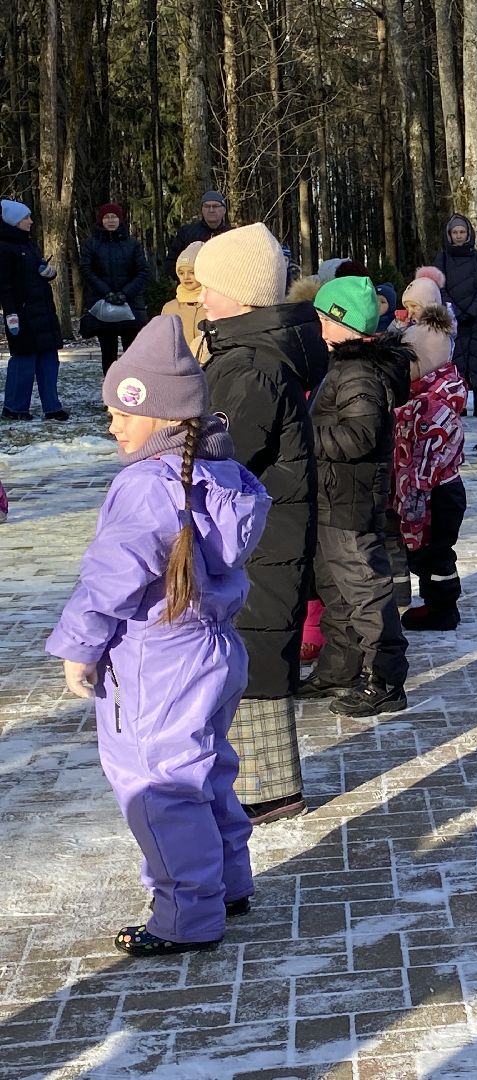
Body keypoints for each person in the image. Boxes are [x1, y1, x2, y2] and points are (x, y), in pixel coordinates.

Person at [46, 314, 270, 956]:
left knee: (158, 786)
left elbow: (108, 580)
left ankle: (185, 915)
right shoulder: (217, 473)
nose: (112, 423)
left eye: (122, 410)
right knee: (205, 770)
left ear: (161, 415)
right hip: (212, 653)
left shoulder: (147, 486)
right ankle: (227, 882)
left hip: (157, 666)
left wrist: (78, 645)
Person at [195, 222, 327, 825]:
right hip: (262, 528)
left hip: (261, 534)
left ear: (242, 294)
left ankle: (269, 787)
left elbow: (225, 450)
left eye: (208, 287)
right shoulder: (248, 352)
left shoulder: (251, 366)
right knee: (256, 640)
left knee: (258, 645)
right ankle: (260, 779)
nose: (200, 298)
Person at [298, 277, 411, 715]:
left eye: (325, 318)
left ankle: (386, 680)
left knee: (364, 590)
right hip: (331, 497)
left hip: (348, 501)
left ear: (343, 325)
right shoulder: (343, 366)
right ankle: (340, 669)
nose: (319, 325)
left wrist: (302, 431)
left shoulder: (357, 371)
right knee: (336, 590)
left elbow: (360, 436)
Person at [392, 274, 469, 632]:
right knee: (430, 553)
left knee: (436, 554)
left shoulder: (431, 408)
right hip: (434, 492)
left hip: (438, 494)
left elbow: (424, 463)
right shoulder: (428, 393)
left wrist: (411, 500)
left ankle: (443, 609)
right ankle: (434, 602)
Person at [0, 200, 66, 421]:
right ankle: (15, 408)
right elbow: (4, 285)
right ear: (14, 221)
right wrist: (10, 313)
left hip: (44, 311)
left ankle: (52, 407)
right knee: (23, 361)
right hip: (22, 313)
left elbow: (37, 269)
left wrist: (48, 272)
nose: (31, 221)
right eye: (26, 217)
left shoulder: (28, 244)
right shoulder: (4, 248)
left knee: (49, 360)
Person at [433, 214, 477, 415]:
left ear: (468, 234)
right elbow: (438, 286)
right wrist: (455, 311)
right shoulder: (442, 258)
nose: (459, 236)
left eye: (462, 232)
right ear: (449, 235)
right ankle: (459, 402)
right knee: (456, 362)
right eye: (455, 232)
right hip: (452, 318)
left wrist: (472, 311)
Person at [80, 202, 151, 373]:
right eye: (106, 217)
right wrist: (107, 293)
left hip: (130, 306)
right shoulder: (91, 244)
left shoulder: (132, 244)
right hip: (103, 306)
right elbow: (87, 270)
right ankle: (110, 392)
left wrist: (125, 294)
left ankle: (133, 391)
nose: (111, 220)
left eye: (114, 217)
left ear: (120, 219)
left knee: (133, 354)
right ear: (101, 221)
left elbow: (142, 271)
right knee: (108, 354)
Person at [164, 190, 231, 281]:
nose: (211, 210)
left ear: (224, 210)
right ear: (202, 209)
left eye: (215, 206)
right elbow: (171, 262)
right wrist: (186, 280)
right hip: (192, 291)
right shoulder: (187, 232)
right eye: (207, 206)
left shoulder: (232, 235)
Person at [162, 241, 210, 356]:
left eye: (192, 272)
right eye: (181, 273)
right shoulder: (169, 308)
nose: (186, 277)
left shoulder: (213, 306)